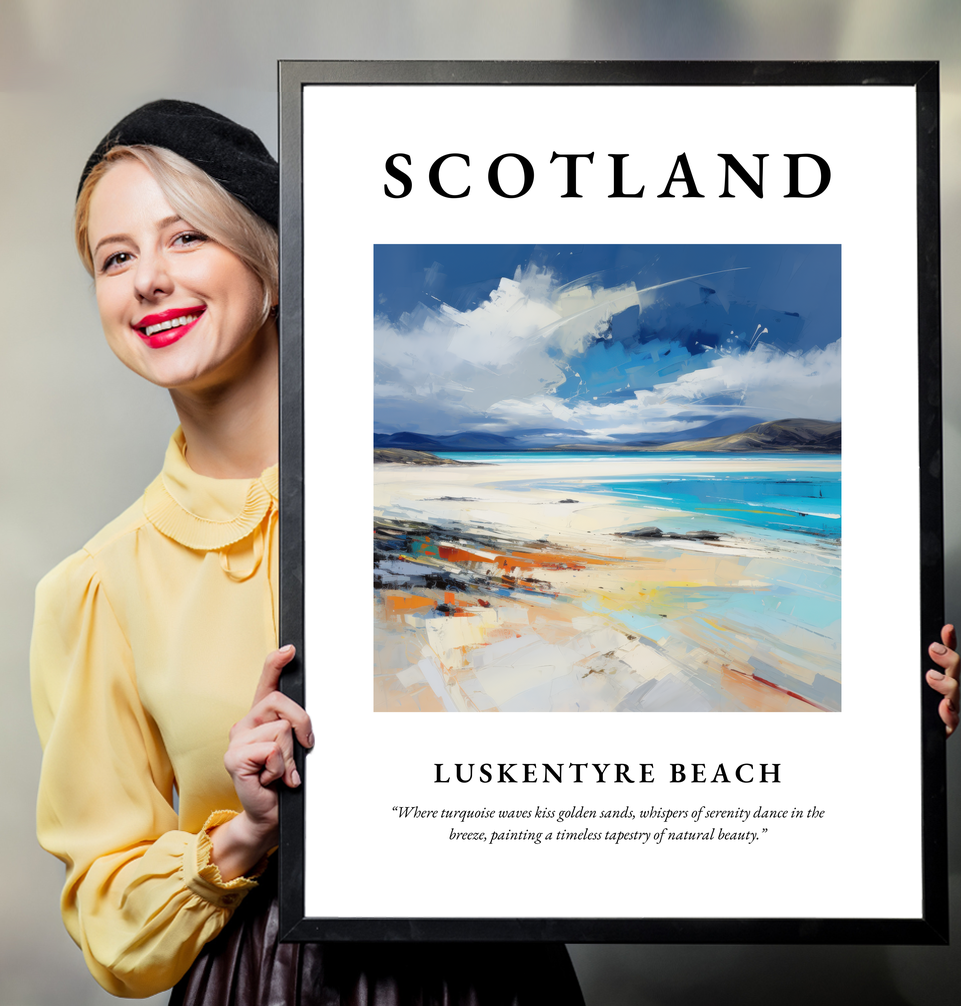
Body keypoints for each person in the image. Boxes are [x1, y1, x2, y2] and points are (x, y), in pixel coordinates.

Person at [30, 100, 586, 1004]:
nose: (148, 281)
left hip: (492, 973)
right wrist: (245, 832)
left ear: (273, 263)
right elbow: (110, 923)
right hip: (262, 982)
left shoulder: (453, 505)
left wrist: (888, 707)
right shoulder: (97, 587)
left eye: (185, 239)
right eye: (116, 257)